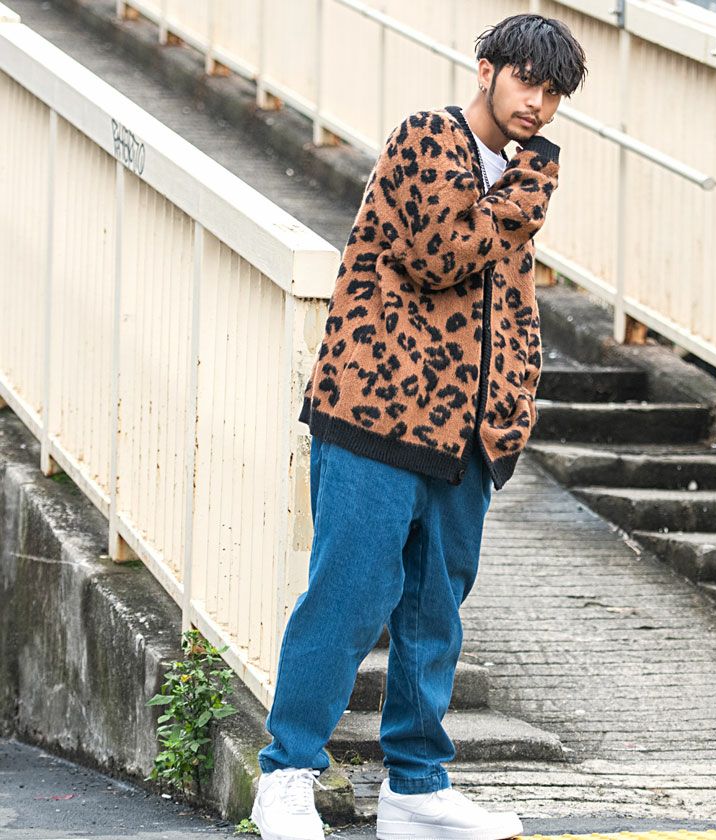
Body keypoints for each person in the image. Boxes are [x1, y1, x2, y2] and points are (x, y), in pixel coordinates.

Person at [250, 13, 587, 840]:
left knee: (436, 617)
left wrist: (513, 404)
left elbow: (509, 304)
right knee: (348, 598)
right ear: (487, 70)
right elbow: (442, 255)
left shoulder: (512, 177)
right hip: (376, 414)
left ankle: (417, 789)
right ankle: (286, 775)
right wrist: (528, 190)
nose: (538, 105)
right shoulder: (428, 139)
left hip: (466, 437)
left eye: (554, 94)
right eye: (527, 82)